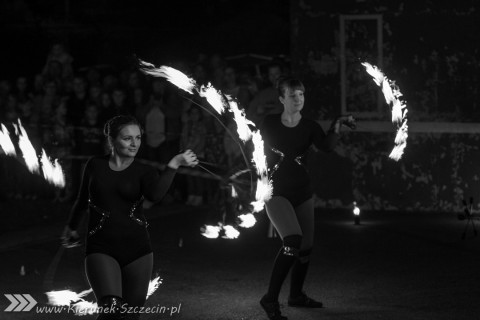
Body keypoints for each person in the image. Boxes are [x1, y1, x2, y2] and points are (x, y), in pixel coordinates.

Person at [62, 115, 198, 319]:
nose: (135, 143)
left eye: (138, 138)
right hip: (101, 248)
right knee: (110, 310)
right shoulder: (95, 165)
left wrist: (175, 163)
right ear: (112, 140)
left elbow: (155, 195)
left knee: (130, 316)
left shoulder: (144, 171)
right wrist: (72, 226)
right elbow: (82, 200)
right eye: (127, 138)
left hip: (138, 251)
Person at [259, 77, 355, 320]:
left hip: (302, 192)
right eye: (292, 95)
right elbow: (256, 154)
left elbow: (326, 146)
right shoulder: (269, 123)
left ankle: (296, 295)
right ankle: (270, 299)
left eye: (301, 94)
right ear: (281, 99)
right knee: (292, 241)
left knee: (306, 247)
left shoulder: (310, 126)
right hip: (276, 192)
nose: (298, 99)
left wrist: (336, 124)